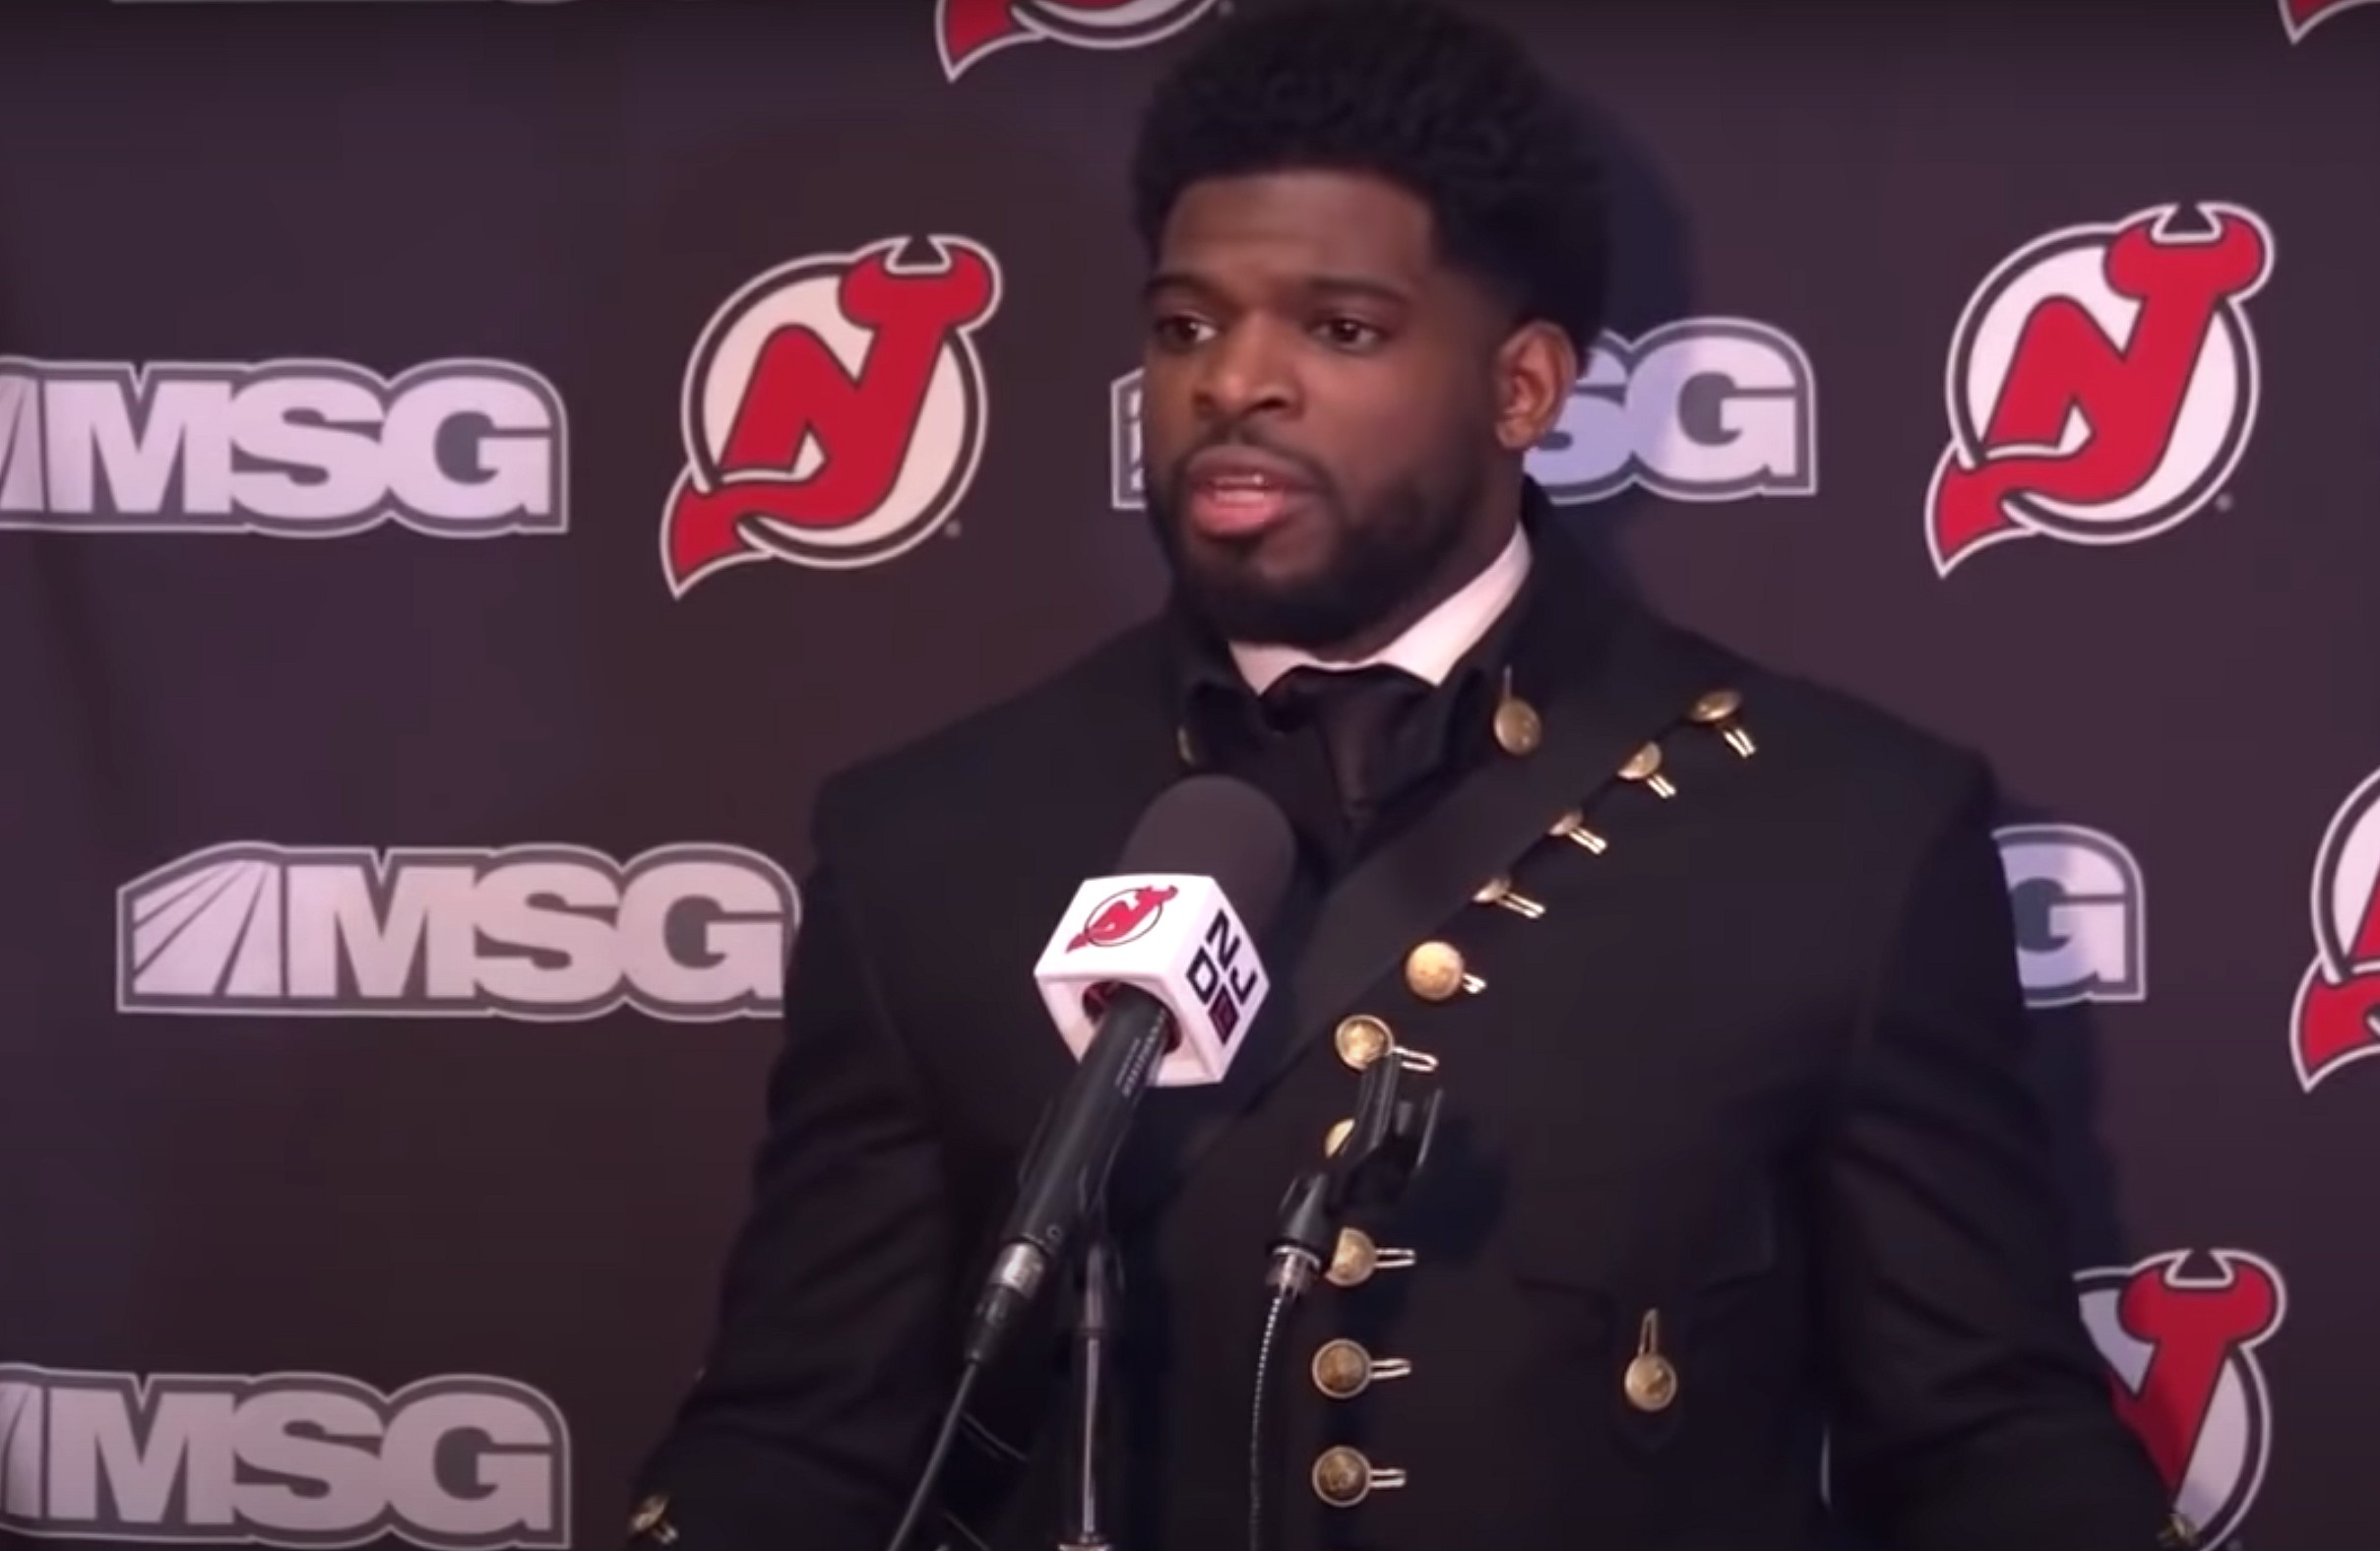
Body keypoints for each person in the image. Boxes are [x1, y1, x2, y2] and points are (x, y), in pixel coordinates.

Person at [624, 2, 2180, 1547]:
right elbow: (801, 1443)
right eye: (1187, 327)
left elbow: (1986, 1443)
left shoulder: (1842, 832)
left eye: (1340, 330)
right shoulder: (929, 843)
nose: (1235, 382)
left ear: (1523, 389)